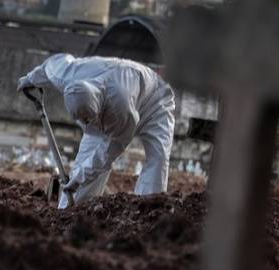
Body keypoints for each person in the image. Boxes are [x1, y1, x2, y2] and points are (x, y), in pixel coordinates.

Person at [17, 54, 175, 209]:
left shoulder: (120, 108)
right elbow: (51, 65)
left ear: (98, 108)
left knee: (158, 158)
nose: (85, 123)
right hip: (115, 94)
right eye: (82, 119)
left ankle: (148, 210)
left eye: (88, 119)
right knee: (86, 166)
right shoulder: (69, 74)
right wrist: (31, 78)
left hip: (155, 100)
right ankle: (68, 212)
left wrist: (79, 179)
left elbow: (107, 155)